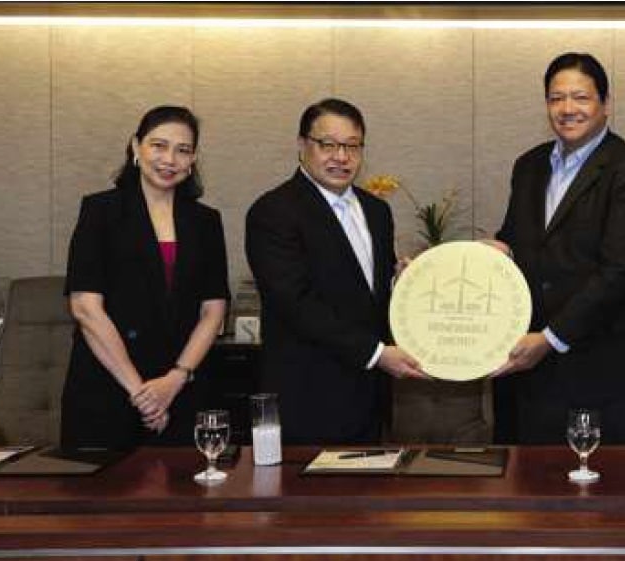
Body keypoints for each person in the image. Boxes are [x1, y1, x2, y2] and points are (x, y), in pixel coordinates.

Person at [490, 53, 625, 445]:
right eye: (556, 98)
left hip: (611, 377)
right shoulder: (529, 166)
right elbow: (516, 241)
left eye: (580, 97)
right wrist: (479, 256)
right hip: (536, 377)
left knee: (616, 500)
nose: (567, 109)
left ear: (606, 104)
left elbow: (623, 271)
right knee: (533, 496)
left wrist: (551, 338)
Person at [245, 98, 426, 445]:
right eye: (327, 144)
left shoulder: (376, 211)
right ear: (302, 145)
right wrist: (376, 353)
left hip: (371, 398)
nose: (341, 157)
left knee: (370, 496)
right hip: (310, 396)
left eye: (352, 146)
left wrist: (399, 282)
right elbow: (296, 303)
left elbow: (367, 292)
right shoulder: (273, 212)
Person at [63, 105, 230, 449]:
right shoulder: (100, 211)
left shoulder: (206, 221)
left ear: (193, 159)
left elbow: (214, 311)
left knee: (189, 497)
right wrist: (141, 393)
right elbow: (85, 308)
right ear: (136, 146)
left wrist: (175, 380)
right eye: (158, 145)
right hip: (109, 388)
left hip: (183, 389)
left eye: (182, 150)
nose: (169, 159)